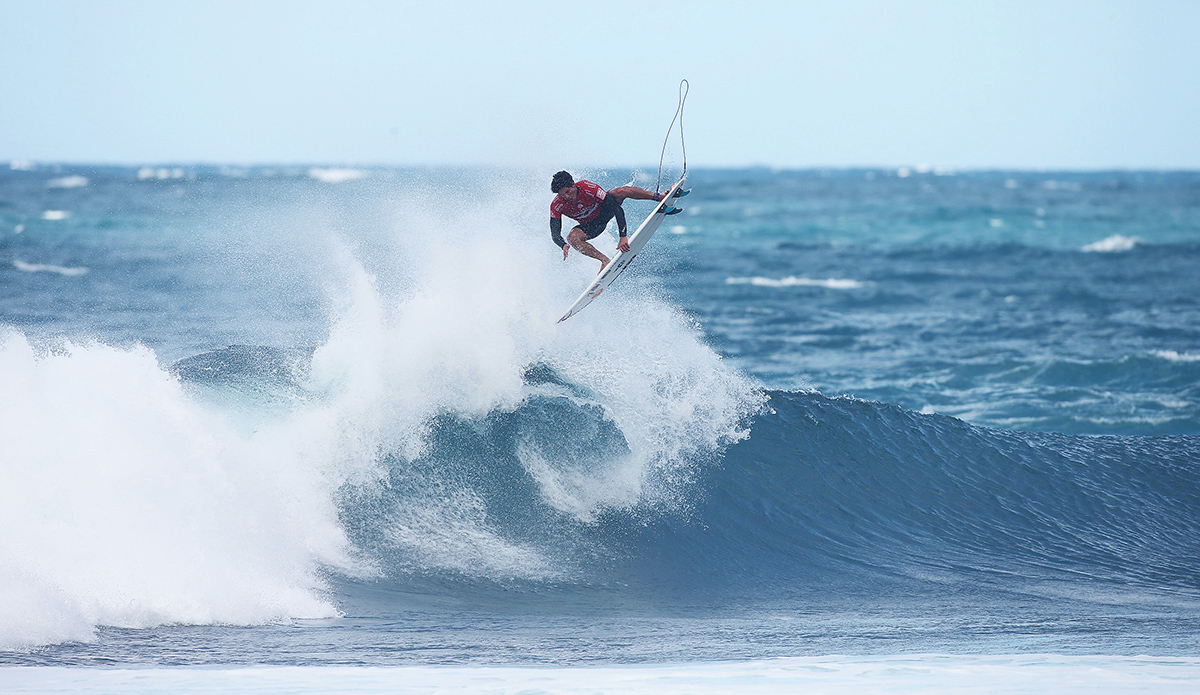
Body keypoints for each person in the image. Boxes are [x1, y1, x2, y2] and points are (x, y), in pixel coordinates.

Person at [549, 170, 683, 271]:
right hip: (591, 227)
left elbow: (616, 209)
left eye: (567, 192)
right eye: (562, 194)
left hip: (605, 212)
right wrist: (563, 245)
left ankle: (659, 197)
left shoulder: (588, 188)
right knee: (572, 237)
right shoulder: (557, 205)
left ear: (573, 185)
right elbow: (555, 234)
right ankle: (604, 260)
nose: (566, 197)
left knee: (619, 192)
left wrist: (623, 237)